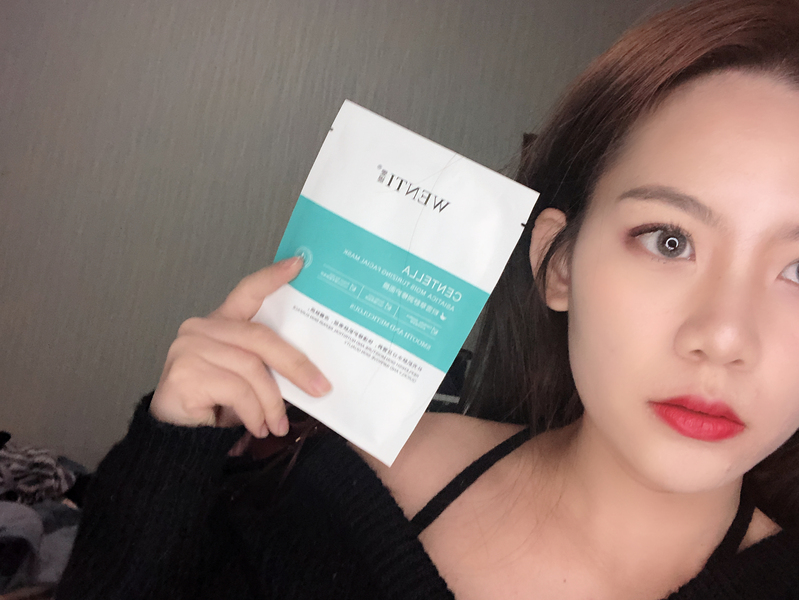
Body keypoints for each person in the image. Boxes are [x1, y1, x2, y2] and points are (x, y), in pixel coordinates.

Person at [55, 0, 799, 598]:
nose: (724, 336)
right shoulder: (357, 488)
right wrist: (171, 461)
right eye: (668, 240)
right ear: (560, 265)